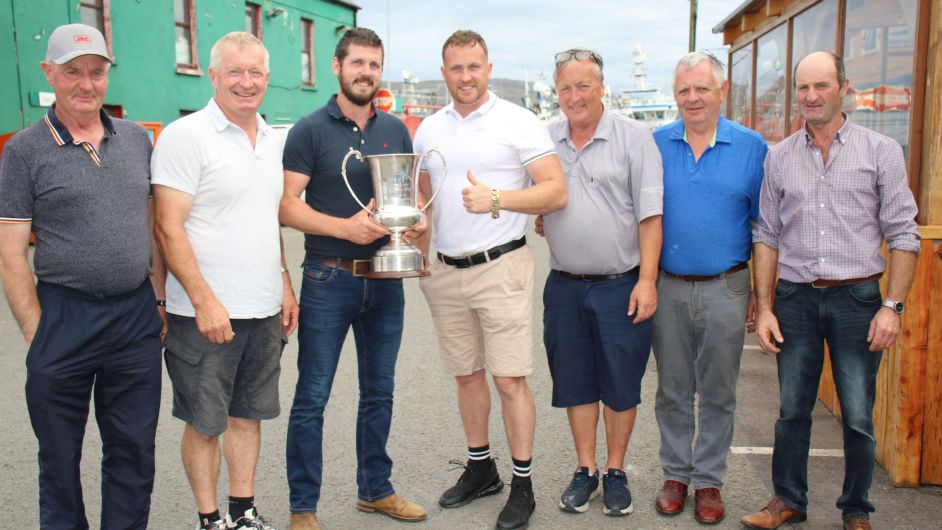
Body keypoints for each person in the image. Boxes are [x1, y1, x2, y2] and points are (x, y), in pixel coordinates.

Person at [742, 51, 919, 530]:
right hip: (797, 299)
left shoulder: (880, 151)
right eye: (803, 87)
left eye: (821, 86)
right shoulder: (779, 156)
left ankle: (856, 510)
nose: (811, 96)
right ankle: (788, 501)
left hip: (858, 299)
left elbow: (905, 234)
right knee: (792, 410)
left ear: (844, 87)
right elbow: (767, 236)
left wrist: (892, 306)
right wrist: (766, 306)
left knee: (858, 415)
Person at [0, 23, 164, 529]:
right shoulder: (23, 151)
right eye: (73, 72)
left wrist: (157, 300)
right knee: (59, 456)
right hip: (64, 316)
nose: (86, 83)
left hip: (134, 316)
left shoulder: (137, 139)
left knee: (133, 451)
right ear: (50, 73)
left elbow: (154, 226)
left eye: (96, 72)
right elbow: (10, 254)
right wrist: (36, 331)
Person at [412, 29, 567, 530]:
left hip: (501, 266)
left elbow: (554, 192)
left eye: (474, 67)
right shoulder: (429, 130)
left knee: (508, 378)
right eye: (456, 68)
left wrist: (497, 198)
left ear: (488, 67)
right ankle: (482, 468)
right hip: (446, 269)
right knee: (467, 374)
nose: (465, 77)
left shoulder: (519, 121)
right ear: (444, 73)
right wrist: (416, 249)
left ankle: (523, 485)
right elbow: (422, 199)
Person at [279, 27, 427, 530]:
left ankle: (375, 490)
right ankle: (303, 508)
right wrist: (343, 228)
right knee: (313, 397)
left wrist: (417, 226)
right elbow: (285, 206)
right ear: (338, 67)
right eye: (357, 62)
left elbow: (406, 198)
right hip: (328, 277)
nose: (366, 72)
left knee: (379, 392)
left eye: (374, 64)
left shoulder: (395, 130)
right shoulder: (309, 130)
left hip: (385, 281)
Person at [152, 31, 298, 530]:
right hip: (204, 315)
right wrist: (203, 300)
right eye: (234, 71)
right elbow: (167, 226)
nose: (246, 82)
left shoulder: (271, 139)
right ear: (213, 76)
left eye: (255, 72)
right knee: (205, 422)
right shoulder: (185, 136)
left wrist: (282, 279)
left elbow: (265, 219)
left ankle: (243, 508)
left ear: (267, 78)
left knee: (248, 415)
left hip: (261, 309)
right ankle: (210, 518)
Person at [535, 48, 662, 517]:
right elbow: (537, 196)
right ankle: (585, 470)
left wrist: (647, 281)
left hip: (620, 284)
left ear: (601, 87)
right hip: (564, 284)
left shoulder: (634, 137)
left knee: (621, 382)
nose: (574, 96)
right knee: (576, 382)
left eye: (583, 85)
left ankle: (615, 471)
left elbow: (651, 217)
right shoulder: (546, 139)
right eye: (565, 88)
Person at [650, 51, 768, 525]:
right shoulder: (654, 143)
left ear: (722, 91)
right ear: (675, 95)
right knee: (673, 389)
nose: (692, 98)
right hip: (668, 285)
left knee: (719, 390)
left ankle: (710, 481)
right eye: (683, 90)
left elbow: (766, 227)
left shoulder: (752, 147)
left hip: (728, 286)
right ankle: (676, 474)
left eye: (702, 88)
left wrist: (763, 293)